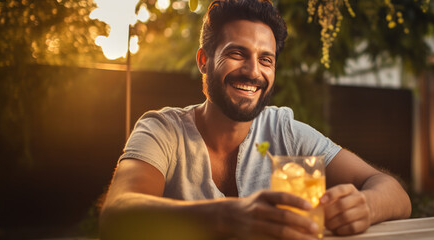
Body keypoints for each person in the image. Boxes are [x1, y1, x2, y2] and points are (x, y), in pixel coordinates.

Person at [99, 0, 411, 239]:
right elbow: (115, 215)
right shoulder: (163, 130)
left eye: (266, 59)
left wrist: (365, 207)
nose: (253, 71)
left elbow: (393, 192)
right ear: (204, 61)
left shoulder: (284, 132)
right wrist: (229, 216)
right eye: (237, 53)